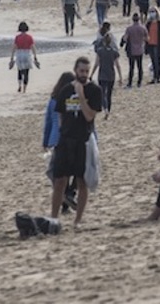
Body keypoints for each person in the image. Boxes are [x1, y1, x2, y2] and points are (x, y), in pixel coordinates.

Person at [50, 57, 103, 228]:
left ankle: (78, 220)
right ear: (75, 70)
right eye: (81, 71)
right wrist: (62, 132)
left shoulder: (94, 90)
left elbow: (89, 116)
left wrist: (81, 95)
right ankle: (54, 218)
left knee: (82, 182)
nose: (84, 75)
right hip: (66, 140)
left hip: (83, 141)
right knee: (60, 181)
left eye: (87, 71)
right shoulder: (65, 90)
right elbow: (59, 113)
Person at [43, 72, 78, 213]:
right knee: (73, 170)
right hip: (72, 138)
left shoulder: (53, 100)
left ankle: (64, 198)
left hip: (56, 140)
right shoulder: (73, 100)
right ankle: (69, 194)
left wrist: (45, 141)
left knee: (57, 172)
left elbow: (48, 122)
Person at [91, 33, 122, 119]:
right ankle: (108, 109)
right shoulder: (114, 52)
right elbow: (117, 65)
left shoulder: (100, 51)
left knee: (102, 93)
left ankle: (105, 109)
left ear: (103, 42)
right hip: (111, 75)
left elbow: (96, 64)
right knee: (109, 94)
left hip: (102, 75)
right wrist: (120, 77)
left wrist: (91, 74)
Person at [11, 21, 40, 93]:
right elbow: (33, 47)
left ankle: (19, 85)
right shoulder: (29, 37)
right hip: (27, 54)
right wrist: (35, 57)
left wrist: (11, 57)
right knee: (27, 72)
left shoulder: (17, 37)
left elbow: (14, 47)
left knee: (20, 71)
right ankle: (24, 89)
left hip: (19, 54)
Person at [123, 13, 148, 88]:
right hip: (140, 49)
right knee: (140, 67)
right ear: (139, 19)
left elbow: (125, 38)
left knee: (131, 67)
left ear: (132, 19)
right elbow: (147, 38)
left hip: (132, 50)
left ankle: (130, 83)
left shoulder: (129, 28)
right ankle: (139, 82)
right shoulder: (143, 28)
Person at [146, 7, 160, 84]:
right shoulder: (148, 23)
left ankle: (158, 77)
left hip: (157, 44)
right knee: (153, 61)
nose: (152, 13)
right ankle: (154, 77)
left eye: (153, 11)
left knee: (157, 61)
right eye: (150, 11)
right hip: (150, 44)